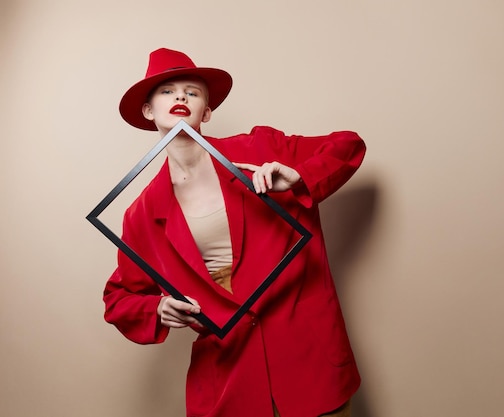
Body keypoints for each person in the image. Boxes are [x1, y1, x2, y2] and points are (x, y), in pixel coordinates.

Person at [103, 48, 366, 417]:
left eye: (192, 92)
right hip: (227, 383)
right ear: (148, 111)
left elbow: (347, 145)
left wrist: (300, 177)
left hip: (310, 364)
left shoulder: (260, 149)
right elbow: (120, 299)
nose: (180, 97)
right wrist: (157, 307)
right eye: (167, 91)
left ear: (207, 112)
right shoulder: (141, 215)